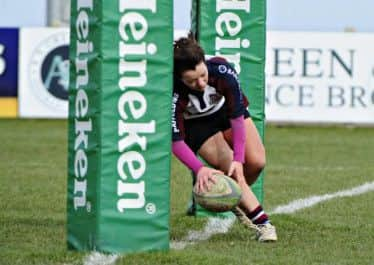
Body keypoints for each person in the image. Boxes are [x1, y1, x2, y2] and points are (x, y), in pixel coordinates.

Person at [171, 34, 277, 242]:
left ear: (204, 62)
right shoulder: (173, 91)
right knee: (232, 169)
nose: (200, 83)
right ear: (180, 78)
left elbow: (237, 117)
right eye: (192, 81)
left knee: (256, 162)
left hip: (225, 114)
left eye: (202, 75)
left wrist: (239, 159)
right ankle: (263, 224)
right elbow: (175, 140)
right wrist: (198, 168)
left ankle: (229, 195)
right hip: (198, 125)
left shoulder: (222, 71)